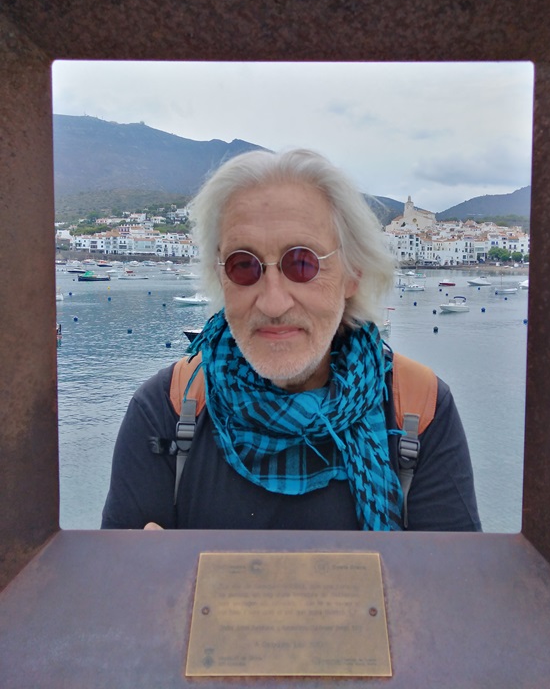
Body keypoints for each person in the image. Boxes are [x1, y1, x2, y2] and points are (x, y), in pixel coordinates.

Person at [101, 149, 481, 532]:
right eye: (243, 265)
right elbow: (116, 585)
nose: (273, 302)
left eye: (302, 263)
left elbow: (454, 587)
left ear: (353, 274)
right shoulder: (168, 408)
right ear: (220, 275)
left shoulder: (418, 408)